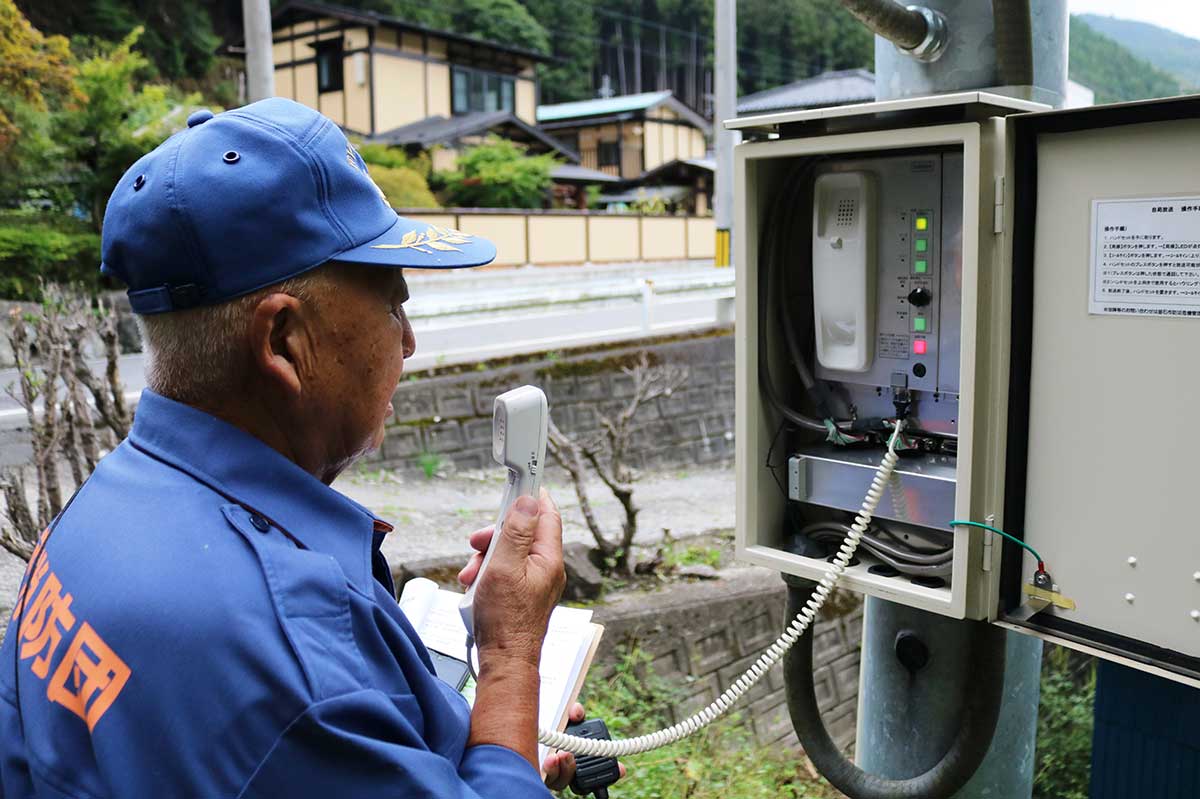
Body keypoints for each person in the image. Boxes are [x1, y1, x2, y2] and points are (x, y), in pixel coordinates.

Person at [0, 98, 608, 797]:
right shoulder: (290, 659)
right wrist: (509, 659)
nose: (407, 340)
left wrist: (462, 734)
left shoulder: (93, 518)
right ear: (284, 340)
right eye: (391, 300)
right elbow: (294, 707)